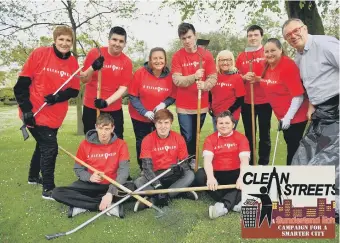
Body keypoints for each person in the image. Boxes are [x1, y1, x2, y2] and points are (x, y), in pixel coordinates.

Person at [282, 18, 339, 223]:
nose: (293, 36)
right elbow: (308, 85)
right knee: (302, 157)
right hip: (321, 112)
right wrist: (312, 105)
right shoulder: (298, 57)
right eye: (288, 35)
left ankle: (334, 207)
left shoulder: (325, 44)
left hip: (337, 107)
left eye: (296, 31)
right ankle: (303, 201)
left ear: (305, 28)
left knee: (328, 161)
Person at [13, 26, 80, 199]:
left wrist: (57, 97)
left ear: (72, 43)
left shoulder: (72, 62)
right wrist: (26, 110)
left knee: (42, 146)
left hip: (55, 116)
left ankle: (33, 177)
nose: (65, 43)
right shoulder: (40, 54)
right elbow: (20, 86)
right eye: (61, 39)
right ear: (55, 39)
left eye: (68, 40)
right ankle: (48, 189)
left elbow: (73, 90)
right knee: (50, 148)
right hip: (35, 113)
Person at [52, 114, 131, 218]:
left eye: (107, 129)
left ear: (113, 128)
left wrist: (110, 192)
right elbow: (78, 168)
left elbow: (124, 171)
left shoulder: (121, 144)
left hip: (112, 184)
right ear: (95, 127)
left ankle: (82, 205)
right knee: (57, 192)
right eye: (100, 128)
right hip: (90, 185)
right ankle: (104, 206)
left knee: (133, 189)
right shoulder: (85, 144)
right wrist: (90, 177)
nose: (103, 133)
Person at [134, 109, 198, 212]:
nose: (163, 126)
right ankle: (177, 193)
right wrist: (157, 185)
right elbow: (146, 167)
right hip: (155, 175)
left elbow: (185, 164)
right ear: (155, 124)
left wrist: (180, 169)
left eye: (166, 123)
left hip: (172, 173)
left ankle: (157, 199)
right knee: (139, 181)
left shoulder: (178, 138)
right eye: (159, 123)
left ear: (171, 123)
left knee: (190, 175)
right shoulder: (147, 140)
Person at [171, 23, 217, 165]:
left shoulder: (206, 55)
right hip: (183, 106)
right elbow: (177, 80)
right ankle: (187, 160)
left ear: (195, 35)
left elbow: (213, 77)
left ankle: (193, 159)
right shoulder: (178, 56)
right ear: (180, 39)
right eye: (183, 38)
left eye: (189, 37)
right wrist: (194, 76)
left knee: (196, 135)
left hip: (200, 105)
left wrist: (204, 85)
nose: (187, 41)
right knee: (187, 135)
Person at [259, 38, 308, 165]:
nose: (269, 54)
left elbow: (298, 96)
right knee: (291, 146)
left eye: (273, 50)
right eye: (266, 51)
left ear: (280, 50)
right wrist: (257, 79)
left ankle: (293, 179)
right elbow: (271, 82)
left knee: (294, 150)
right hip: (281, 114)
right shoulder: (266, 65)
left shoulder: (288, 66)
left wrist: (288, 118)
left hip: (296, 117)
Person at [195, 111, 250, 219]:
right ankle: (237, 200)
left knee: (249, 175)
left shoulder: (241, 138)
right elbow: (207, 161)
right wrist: (210, 178)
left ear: (233, 125)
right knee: (200, 175)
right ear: (216, 125)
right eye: (221, 123)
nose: (224, 126)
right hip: (218, 174)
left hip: (235, 173)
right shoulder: (210, 139)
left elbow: (244, 160)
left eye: (227, 123)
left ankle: (223, 206)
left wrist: (241, 178)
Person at [128, 47, 176, 171]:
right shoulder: (140, 73)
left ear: (165, 60)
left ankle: (157, 167)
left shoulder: (170, 76)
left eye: (161, 58)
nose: (158, 61)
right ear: (150, 60)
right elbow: (133, 96)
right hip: (139, 117)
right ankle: (143, 169)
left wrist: (164, 104)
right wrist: (144, 112)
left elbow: (173, 96)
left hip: (159, 118)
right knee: (142, 142)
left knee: (158, 142)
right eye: (155, 58)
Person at [81, 26, 133, 139]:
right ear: (109, 40)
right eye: (114, 40)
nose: (117, 44)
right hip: (91, 107)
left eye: (121, 41)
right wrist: (92, 67)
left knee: (116, 141)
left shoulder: (127, 62)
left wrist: (106, 102)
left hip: (113, 109)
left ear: (125, 44)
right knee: (92, 141)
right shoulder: (95, 53)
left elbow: (123, 88)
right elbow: (84, 79)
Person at [235, 25, 272, 166]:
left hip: (264, 101)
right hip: (247, 101)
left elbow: (273, 76)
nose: (253, 38)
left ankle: (263, 164)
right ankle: (250, 163)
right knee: (249, 135)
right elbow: (236, 76)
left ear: (261, 36)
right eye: (250, 35)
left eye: (256, 35)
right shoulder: (241, 56)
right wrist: (243, 77)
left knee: (264, 135)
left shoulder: (267, 53)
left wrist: (258, 79)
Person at [210, 50, 245, 131]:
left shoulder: (237, 77)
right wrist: (210, 107)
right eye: (222, 60)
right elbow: (209, 94)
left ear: (232, 61)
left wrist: (229, 111)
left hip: (231, 115)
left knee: (228, 139)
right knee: (218, 139)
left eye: (228, 60)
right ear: (218, 61)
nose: (225, 63)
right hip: (216, 114)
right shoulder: (214, 76)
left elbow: (240, 99)